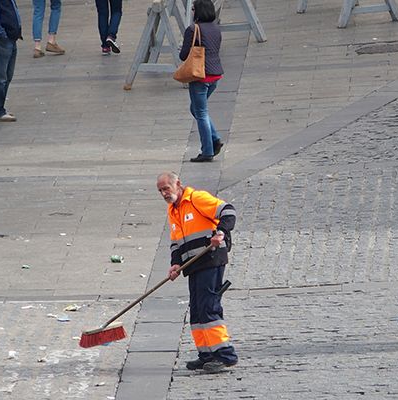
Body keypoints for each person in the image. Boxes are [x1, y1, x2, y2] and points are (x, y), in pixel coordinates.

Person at [157, 171, 238, 372]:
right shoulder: (173, 210)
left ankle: (225, 355)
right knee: (197, 310)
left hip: (210, 259)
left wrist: (221, 233)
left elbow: (228, 211)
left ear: (178, 184)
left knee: (209, 307)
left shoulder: (196, 198)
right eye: (160, 191)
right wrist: (175, 263)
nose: (164, 193)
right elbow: (176, 242)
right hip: (193, 265)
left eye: (166, 188)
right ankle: (206, 354)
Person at [182, 0, 224, 163]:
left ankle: (207, 150)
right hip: (215, 74)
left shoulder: (193, 29)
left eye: (193, 9)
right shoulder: (216, 28)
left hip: (200, 75)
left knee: (200, 112)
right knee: (197, 109)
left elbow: (184, 55)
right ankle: (214, 140)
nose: (192, 11)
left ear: (197, 11)